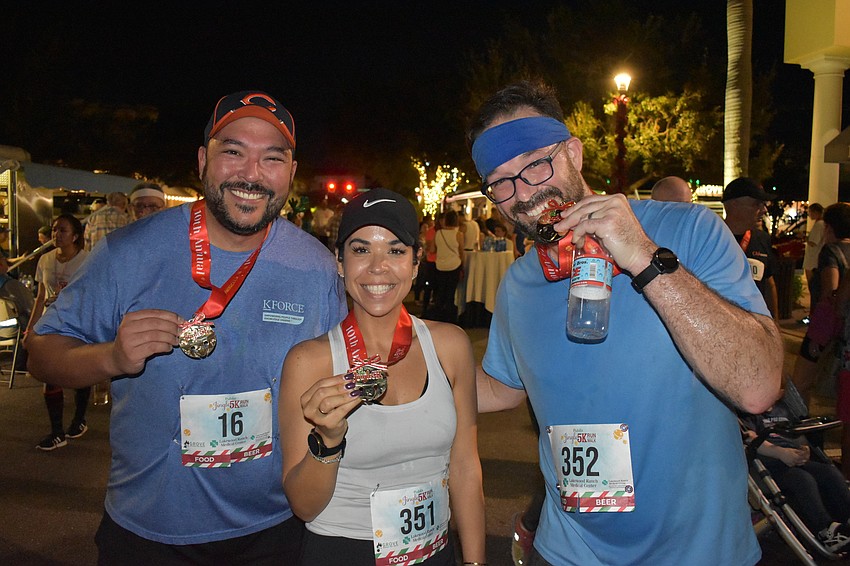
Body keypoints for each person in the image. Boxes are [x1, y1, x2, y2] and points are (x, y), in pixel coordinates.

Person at [467, 79, 782, 565]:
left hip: (698, 553)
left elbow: (758, 386)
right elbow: (504, 388)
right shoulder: (520, 283)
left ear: (573, 154)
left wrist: (643, 257)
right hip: (569, 550)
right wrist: (399, 363)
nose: (523, 194)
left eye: (534, 165)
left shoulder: (689, 230)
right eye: (501, 182)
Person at [26, 90, 347, 563]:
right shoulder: (128, 252)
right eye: (233, 151)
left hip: (276, 529)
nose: (251, 174)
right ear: (202, 161)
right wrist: (111, 357)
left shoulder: (315, 267)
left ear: (292, 172)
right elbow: (39, 354)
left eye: (272, 158)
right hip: (151, 532)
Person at [280, 188, 485, 565]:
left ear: (416, 262)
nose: (378, 267)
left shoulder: (450, 345)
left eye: (395, 250)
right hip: (344, 551)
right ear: (339, 261)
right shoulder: (308, 362)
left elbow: (465, 468)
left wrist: (474, 562)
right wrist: (328, 441)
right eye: (361, 250)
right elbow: (304, 506)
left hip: (435, 552)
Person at [741, 384, 850, 552]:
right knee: (803, 480)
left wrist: (804, 449)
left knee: (829, 472)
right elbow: (750, 439)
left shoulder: (784, 409)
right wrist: (780, 453)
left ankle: (845, 520)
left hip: (793, 457)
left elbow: (798, 433)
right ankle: (824, 529)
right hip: (770, 465)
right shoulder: (751, 413)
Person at [24, 214, 91, 451]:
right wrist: (31, 327)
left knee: (79, 372)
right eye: (54, 230)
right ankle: (56, 432)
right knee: (50, 373)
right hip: (50, 324)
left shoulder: (86, 260)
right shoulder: (45, 259)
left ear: (75, 236)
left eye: (63, 230)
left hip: (77, 323)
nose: (56, 234)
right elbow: (40, 295)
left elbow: (92, 295)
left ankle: (78, 419)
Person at [791, 203, 850, 406]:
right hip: (845, 329)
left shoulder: (831, 251)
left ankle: (802, 420)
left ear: (829, 227)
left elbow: (830, 290)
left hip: (824, 327)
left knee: (800, 381)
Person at [722, 177, 780, 318]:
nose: (764, 210)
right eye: (756, 204)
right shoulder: (711, 238)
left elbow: (769, 283)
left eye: (763, 204)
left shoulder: (762, 239)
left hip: (755, 323)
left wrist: (774, 321)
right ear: (734, 204)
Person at [429, 210, 464, 324]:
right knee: (450, 293)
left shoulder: (438, 233)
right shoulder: (458, 234)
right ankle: (450, 319)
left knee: (440, 293)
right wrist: (463, 267)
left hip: (440, 266)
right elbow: (461, 252)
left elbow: (432, 250)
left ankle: (439, 317)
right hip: (454, 265)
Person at [803, 203, 825, 306]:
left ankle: (814, 309)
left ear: (815, 212)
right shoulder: (822, 224)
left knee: (813, 287)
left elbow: (813, 242)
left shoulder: (819, 224)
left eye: (810, 212)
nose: (809, 215)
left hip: (812, 260)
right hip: (815, 259)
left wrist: (805, 238)